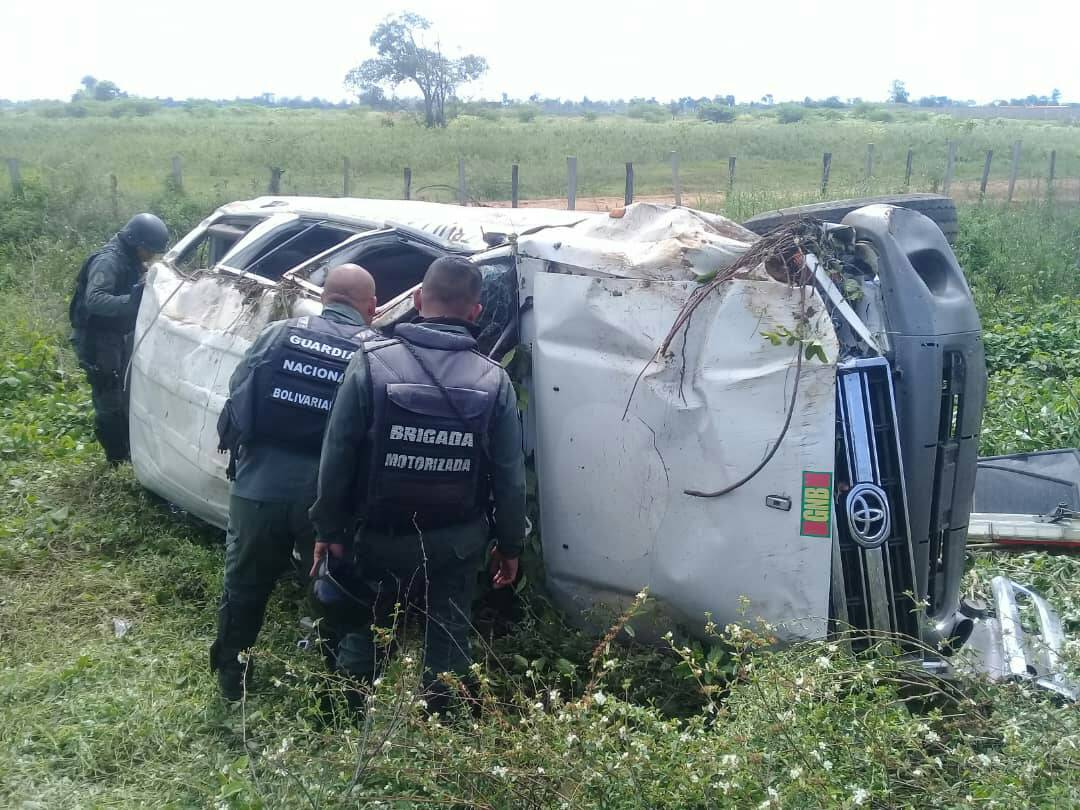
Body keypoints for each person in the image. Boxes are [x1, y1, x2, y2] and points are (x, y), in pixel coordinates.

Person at [309, 255, 526, 713]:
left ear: (416, 299)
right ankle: (441, 731)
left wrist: (327, 531)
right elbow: (509, 477)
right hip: (457, 545)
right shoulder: (495, 382)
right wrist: (509, 546)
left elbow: (337, 458)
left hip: (377, 537)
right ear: (476, 313)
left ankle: (342, 721)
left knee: (368, 628)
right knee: (448, 636)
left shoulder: (369, 365)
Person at [210, 264, 379, 701]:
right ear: (371, 307)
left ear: (323, 297)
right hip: (327, 501)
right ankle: (335, 687)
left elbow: (239, 392)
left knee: (245, 584)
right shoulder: (374, 351)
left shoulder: (279, 333)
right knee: (332, 590)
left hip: (257, 488)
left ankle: (232, 676)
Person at [69, 213, 169, 464]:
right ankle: (117, 459)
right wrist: (130, 301)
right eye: (149, 250)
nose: (151, 256)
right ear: (136, 242)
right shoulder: (108, 261)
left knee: (123, 392)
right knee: (109, 397)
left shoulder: (130, 258)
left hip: (113, 336)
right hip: (96, 339)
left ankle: (126, 450)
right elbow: (95, 299)